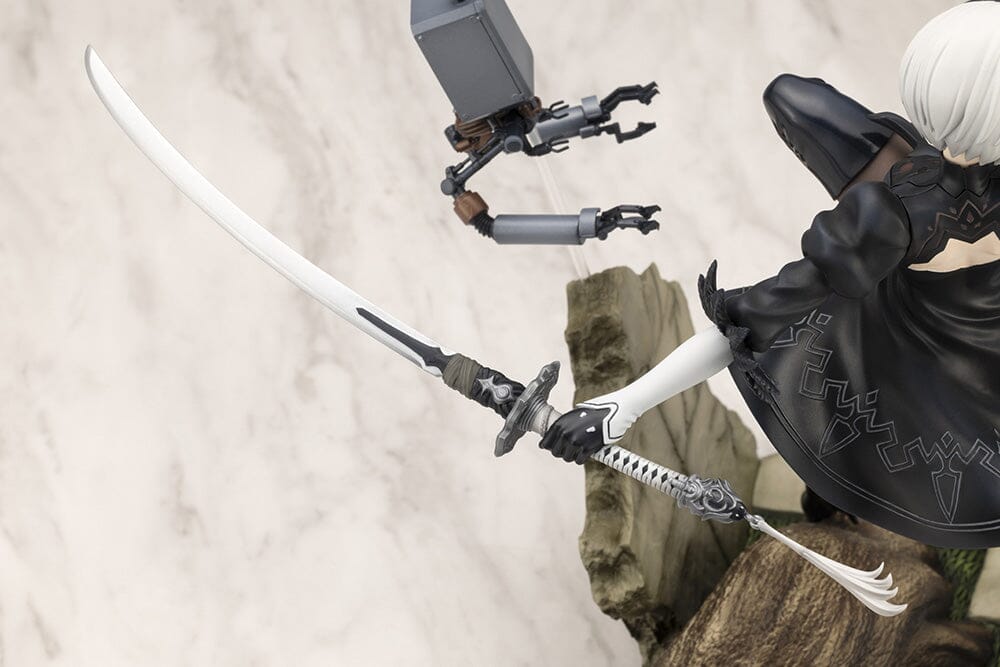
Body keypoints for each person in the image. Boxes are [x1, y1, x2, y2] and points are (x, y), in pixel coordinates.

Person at [540, 1, 1000, 549]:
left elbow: (747, 323)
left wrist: (624, 405)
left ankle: (833, 495)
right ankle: (829, 500)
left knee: (848, 411)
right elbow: (748, 322)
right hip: (935, 354)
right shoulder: (892, 213)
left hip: (923, 365)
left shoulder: (890, 214)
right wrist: (625, 404)